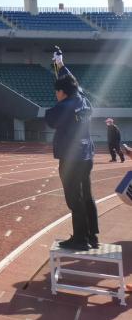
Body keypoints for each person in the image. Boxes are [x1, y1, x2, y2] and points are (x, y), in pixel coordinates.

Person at [45, 50, 98, 251]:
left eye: (57, 92)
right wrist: (61, 65)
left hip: (71, 157)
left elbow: (50, 120)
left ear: (62, 92)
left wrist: (58, 103)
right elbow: (74, 84)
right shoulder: (83, 99)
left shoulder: (64, 105)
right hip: (87, 155)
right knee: (87, 195)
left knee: (73, 197)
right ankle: (92, 236)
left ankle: (80, 239)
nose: (56, 95)